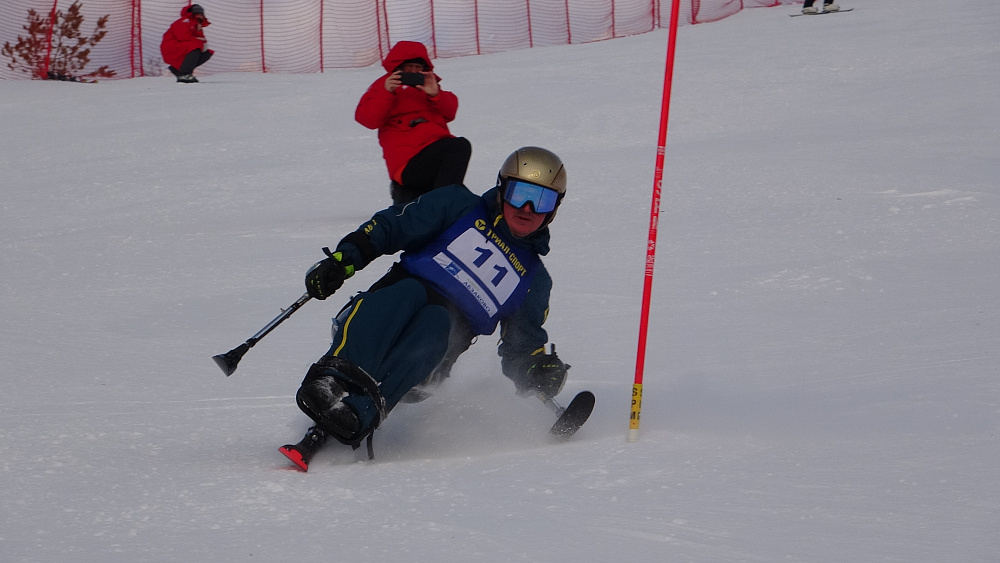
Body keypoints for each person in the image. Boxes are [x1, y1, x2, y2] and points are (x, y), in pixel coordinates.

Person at [292, 147, 571, 458]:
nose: (528, 208)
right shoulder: (459, 205)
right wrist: (345, 259)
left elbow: (520, 347)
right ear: (503, 189)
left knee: (438, 322)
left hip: (428, 363)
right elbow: (394, 226)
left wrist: (536, 369)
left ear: (554, 210)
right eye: (520, 194)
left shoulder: (533, 279)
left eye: (542, 201)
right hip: (380, 315)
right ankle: (331, 380)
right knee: (407, 293)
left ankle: (363, 409)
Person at [355, 41, 472, 205]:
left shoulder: (429, 87)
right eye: (408, 67)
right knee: (459, 146)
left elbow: (450, 112)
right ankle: (440, 206)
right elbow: (366, 119)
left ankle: (441, 204)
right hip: (407, 163)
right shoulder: (383, 87)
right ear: (398, 67)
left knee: (467, 199)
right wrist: (385, 92)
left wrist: (436, 94)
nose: (413, 71)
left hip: (434, 158)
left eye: (418, 67)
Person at [160, 4, 213, 83]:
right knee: (196, 45)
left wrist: (198, 31)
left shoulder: (196, 25)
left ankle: (178, 69)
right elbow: (182, 36)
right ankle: (184, 73)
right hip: (172, 46)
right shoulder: (185, 21)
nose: (200, 16)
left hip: (182, 46)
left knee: (206, 52)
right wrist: (198, 39)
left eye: (201, 14)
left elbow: (202, 40)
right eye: (197, 13)